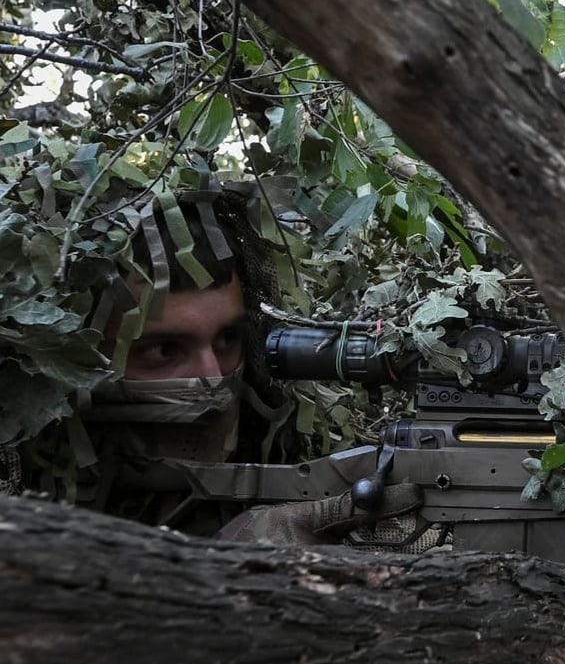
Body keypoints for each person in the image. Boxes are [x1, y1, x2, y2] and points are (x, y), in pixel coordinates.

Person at [14, 185, 433, 549]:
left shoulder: (306, 465)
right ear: (64, 362)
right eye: (163, 350)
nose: (214, 378)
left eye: (227, 339)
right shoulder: (15, 485)